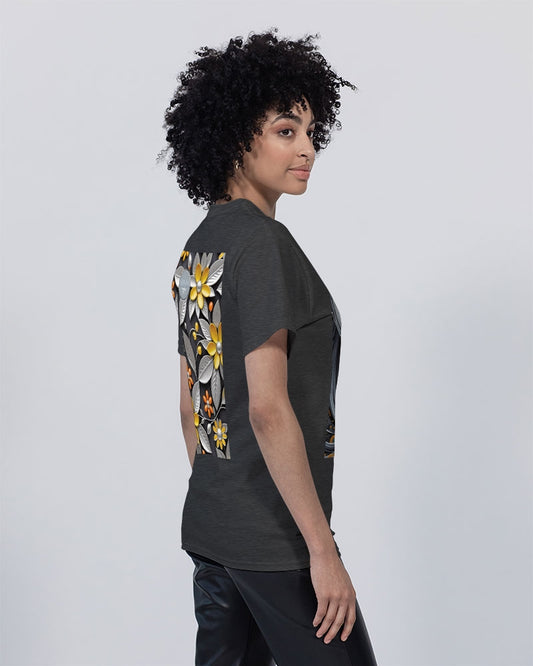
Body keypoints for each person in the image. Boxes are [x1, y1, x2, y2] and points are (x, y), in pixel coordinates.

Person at [160, 28, 378, 666]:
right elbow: (267, 408)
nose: (307, 148)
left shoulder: (201, 247)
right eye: (286, 130)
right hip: (277, 546)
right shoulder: (262, 246)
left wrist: (225, 501)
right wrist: (322, 552)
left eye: (310, 131)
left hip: (213, 531)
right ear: (235, 139)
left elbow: (191, 406)